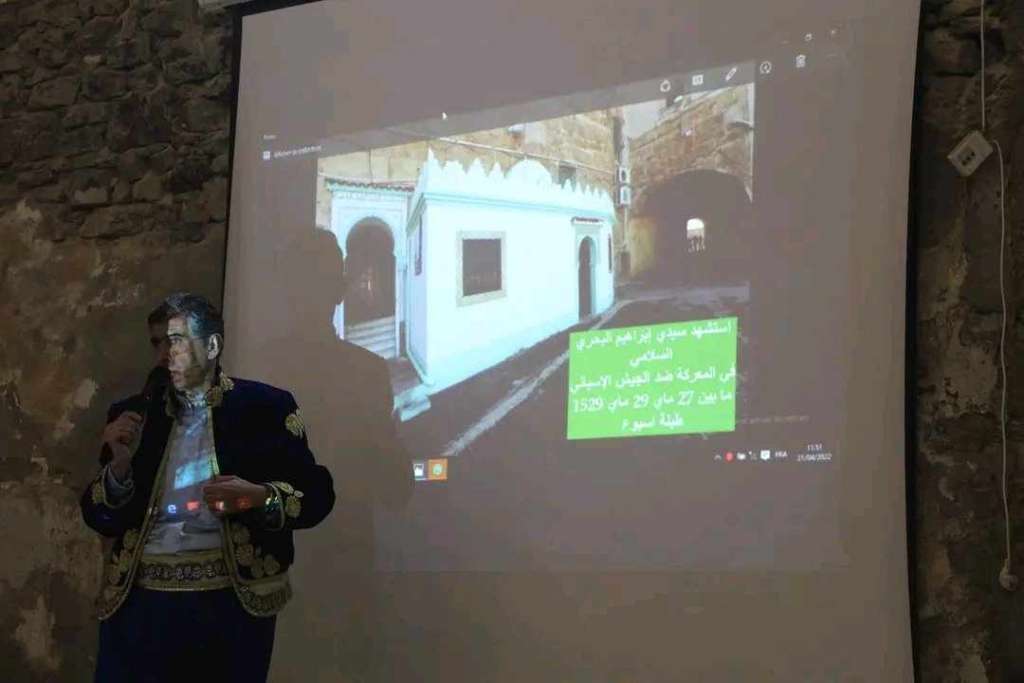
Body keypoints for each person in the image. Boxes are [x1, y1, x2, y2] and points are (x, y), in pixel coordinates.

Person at [80, 292, 335, 682]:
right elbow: (101, 518)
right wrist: (117, 469)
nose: (163, 356)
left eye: (175, 341)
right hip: (140, 603)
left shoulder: (265, 408)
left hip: (229, 603)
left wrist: (259, 497)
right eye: (157, 343)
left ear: (212, 346)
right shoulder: (133, 414)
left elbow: (317, 495)